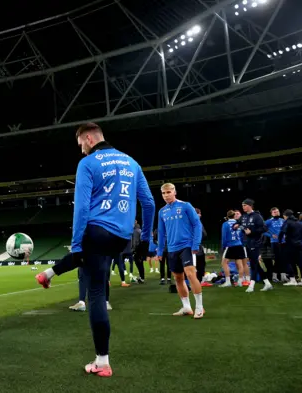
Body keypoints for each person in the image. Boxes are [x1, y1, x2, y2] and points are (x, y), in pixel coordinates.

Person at [35, 122, 155, 377]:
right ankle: (48, 274)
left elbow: (81, 209)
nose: (81, 150)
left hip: (97, 230)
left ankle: (102, 361)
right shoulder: (131, 163)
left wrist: (77, 244)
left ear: (88, 138)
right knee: (91, 262)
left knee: (96, 293)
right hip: (121, 237)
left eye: (81, 144)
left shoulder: (88, 164)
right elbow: (149, 202)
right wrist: (145, 241)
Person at [155, 183, 204, 319]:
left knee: (190, 273)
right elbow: (161, 232)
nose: (166, 195)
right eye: (163, 193)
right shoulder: (162, 211)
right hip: (171, 249)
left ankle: (199, 307)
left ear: (174, 192)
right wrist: (159, 251)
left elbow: (197, 224)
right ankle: (186, 307)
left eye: (168, 192)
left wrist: (195, 244)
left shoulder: (185, 206)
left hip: (186, 246)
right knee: (178, 278)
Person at [237, 199, 272, 293]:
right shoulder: (244, 216)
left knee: (253, 264)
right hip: (247, 243)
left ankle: (251, 286)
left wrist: (252, 232)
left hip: (256, 243)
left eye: (244, 205)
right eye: (242, 205)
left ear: (250, 206)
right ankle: (268, 284)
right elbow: (238, 223)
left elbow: (264, 228)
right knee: (255, 263)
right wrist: (236, 226)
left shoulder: (257, 216)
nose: (243, 207)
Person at [220, 210, 247, 287]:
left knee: (224, 263)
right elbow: (242, 234)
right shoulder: (238, 223)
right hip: (239, 245)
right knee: (240, 264)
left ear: (227, 216)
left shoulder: (225, 224)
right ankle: (240, 281)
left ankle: (228, 281)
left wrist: (224, 246)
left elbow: (224, 236)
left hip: (230, 245)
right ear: (234, 216)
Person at [279, 210, 302, 286]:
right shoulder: (299, 223)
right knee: (300, 263)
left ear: (286, 216)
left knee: (288, 262)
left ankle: (292, 279)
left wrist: (279, 241)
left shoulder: (287, 222)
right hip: (299, 245)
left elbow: (282, 232)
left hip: (289, 245)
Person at [264, 207, 285, 282]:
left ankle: (283, 276)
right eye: (275, 212)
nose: (277, 213)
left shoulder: (282, 220)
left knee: (283, 259)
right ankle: (274, 276)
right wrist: (271, 235)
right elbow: (262, 230)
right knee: (277, 259)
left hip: (283, 242)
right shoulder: (269, 221)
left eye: (277, 211)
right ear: (272, 213)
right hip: (275, 242)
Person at [194, 208, 209, 286]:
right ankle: (198, 281)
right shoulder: (197, 222)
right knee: (199, 264)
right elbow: (204, 234)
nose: (200, 215)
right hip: (196, 247)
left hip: (188, 247)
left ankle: (192, 281)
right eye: (199, 213)